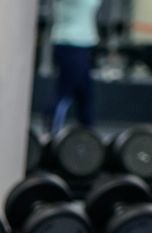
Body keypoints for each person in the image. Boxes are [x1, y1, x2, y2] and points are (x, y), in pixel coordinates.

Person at [48, 0, 103, 134]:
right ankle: (51, 136)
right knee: (65, 94)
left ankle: (89, 139)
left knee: (85, 95)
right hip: (69, 44)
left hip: (83, 46)